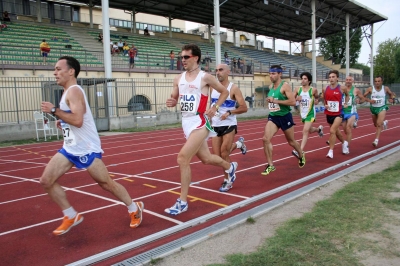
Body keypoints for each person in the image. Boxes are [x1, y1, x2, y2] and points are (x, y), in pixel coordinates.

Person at [40, 56, 143, 235]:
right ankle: (71, 215)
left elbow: (78, 120)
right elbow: (73, 118)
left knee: (106, 184)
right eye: (54, 69)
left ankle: (134, 208)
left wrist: (55, 111)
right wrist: (63, 121)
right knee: (46, 181)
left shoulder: (73, 91)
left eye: (58, 69)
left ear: (71, 71)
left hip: (87, 148)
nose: (54, 73)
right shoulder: (67, 93)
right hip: (70, 148)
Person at [165, 44, 238, 215]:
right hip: (186, 122)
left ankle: (182, 202)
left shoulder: (205, 77)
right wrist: (173, 102)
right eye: (181, 57)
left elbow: (224, 93)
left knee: (183, 158)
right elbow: (175, 98)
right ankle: (230, 167)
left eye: (186, 57)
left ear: (195, 58)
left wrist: (215, 107)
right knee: (206, 158)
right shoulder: (178, 79)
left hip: (201, 122)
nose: (182, 60)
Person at [262, 65, 305, 175]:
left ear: (280, 74)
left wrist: (276, 101)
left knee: (291, 141)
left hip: (285, 116)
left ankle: (301, 154)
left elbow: (292, 102)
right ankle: (270, 165)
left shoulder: (285, 86)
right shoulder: (270, 86)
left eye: (273, 73)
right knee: (265, 139)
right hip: (273, 116)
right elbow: (272, 100)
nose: (271, 76)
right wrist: (270, 101)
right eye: (270, 73)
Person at [211, 64, 248, 192]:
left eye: (220, 70)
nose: (218, 72)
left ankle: (228, 180)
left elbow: (244, 107)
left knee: (224, 152)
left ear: (228, 72)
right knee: (218, 157)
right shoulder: (212, 88)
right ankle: (239, 144)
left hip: (229, 124)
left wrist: (230, 112)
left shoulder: (234, 88)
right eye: (216, 70)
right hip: (215, 124)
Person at [292, 72, 323, 158]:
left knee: (305, 131)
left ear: (309, 81)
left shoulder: (313, 90)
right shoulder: (298, 89)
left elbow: (317, 97)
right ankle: (318, 130)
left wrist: (317, 101)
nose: (303, 80)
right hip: (303, 113)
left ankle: (300, 151)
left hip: (310, 113)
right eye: (302, 78)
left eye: (305, 79)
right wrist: (296, 99)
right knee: (309, 130)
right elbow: (291, 99)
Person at [363, 76, 395, 147]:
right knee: (375, 124)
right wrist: (369, 100)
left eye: (379, 81)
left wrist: (391, 99)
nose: (377, 83)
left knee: (378, 124)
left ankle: (376, 140)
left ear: (381, 82)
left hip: (382, 107)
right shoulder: (370, 89)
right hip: (373, 108)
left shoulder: (385, 88)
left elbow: (391, 94)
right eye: (376, 81)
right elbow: (363, 96)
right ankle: (384, 122)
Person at [321, 70, 347, 158]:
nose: (331, 79)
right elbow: (324, 99)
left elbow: (347, 95)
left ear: (337, 78)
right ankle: (344, 143)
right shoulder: (325, 88)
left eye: (333, 77)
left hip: (339, 113)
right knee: (337, 132)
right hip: (329, 113)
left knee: (332, 131)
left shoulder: (342, 88)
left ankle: (330, 151)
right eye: (330, 77)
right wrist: (325, 104)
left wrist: (346, 102)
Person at [340, 76, 366, 153]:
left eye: (350, 80)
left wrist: (359, 101)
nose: (348, 81)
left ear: (352, 81)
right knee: (345, 130)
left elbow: (363, 99)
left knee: (348, 128)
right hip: (343, 112)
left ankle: (346, 147)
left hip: (352, 112)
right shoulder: (341, 89)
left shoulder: (356, 90)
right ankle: (345, 143)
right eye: (347, 80)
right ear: (345, 81)